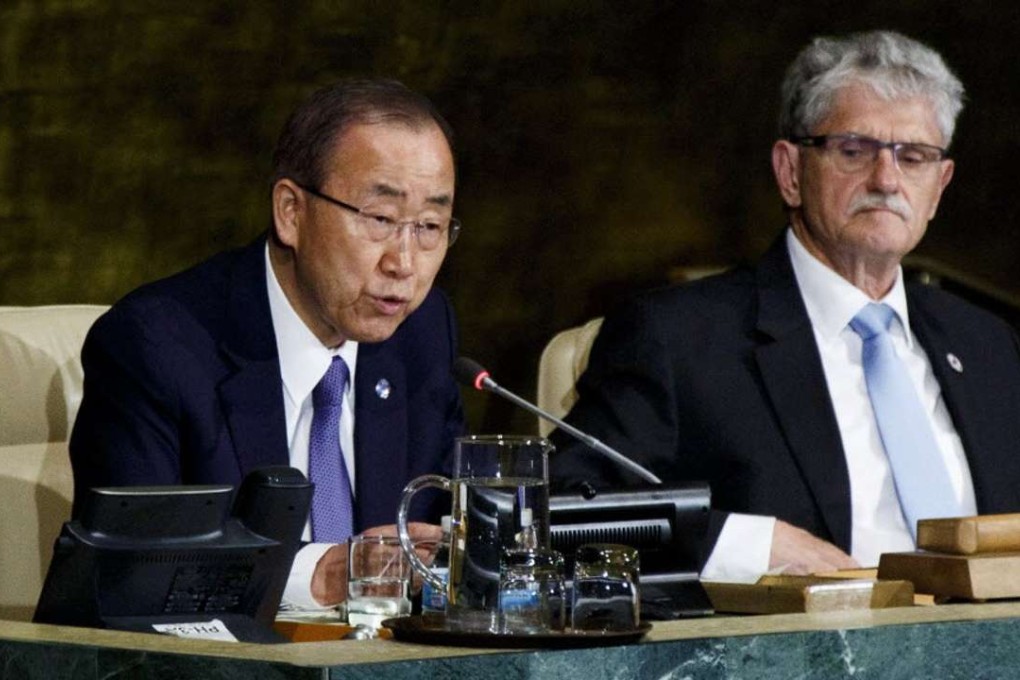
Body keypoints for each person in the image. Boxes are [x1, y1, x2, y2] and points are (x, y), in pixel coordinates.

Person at [550, 30, 1020, 580]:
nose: (887, 179)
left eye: (913, 157)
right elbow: (564, 507)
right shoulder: (678, 337)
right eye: (854, 150)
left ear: (939, 188)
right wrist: (747, 547)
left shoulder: (991, 346)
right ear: (791, 171)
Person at [70, 79, 465, 608]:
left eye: (430, 226)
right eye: (380, 220)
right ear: (291, 212)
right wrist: (320, 576)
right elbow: (130, 572)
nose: (405, 263)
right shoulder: (155, 347)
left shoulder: (421, 334)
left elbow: (445, 535)